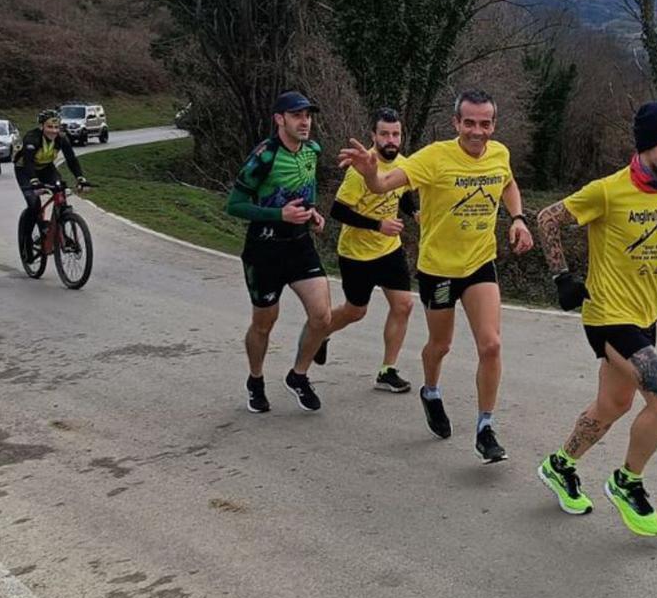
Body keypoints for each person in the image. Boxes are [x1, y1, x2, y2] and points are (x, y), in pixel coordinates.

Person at [533, 101, 657, 536]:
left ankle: (559, 466)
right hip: (607, 315)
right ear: (647, 145)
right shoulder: (608, 190)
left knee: (613, 405)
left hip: (644, 315)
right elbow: (547, 219)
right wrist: (563, 276)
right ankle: (627, 481)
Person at [340, 89, 533, 462]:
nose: (478, 131)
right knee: (440, 345)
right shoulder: (433, 158)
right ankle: (430, 391)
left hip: (480, 263)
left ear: (493, 124)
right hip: (439, 269)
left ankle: (485, 427)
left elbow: (507, 182)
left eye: (485, 123)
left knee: (491, 345)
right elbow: (383, 185)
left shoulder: (499, 153)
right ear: (456, 123)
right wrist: (369, 172)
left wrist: (519, 219)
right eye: (470, 123)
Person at [226, 91, 330, 414]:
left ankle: (298, 375)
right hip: (264, 250)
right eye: (297, 115)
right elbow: (235, 205)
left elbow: (305, 192)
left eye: (308, 116)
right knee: (264, 323)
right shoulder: (265, 156)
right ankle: (255, 381)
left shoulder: (312, 151)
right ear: (279, 119)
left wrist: (312, 214)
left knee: (322, 316)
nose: (305, 122)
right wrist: (278, 215)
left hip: (299, 245)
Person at [314, 107, 417, 394]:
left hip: (389, 250)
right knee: (355, 311)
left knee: (404, 304)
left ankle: (387, 371)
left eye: (395, 134)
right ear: (373, 136)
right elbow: (337, 211)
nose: (391, 140)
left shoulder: (404, 164)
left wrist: (416, 213)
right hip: (356, 253)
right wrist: (377, 225)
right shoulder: (361, 170)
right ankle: (320, 332)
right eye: (384, 134)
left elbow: (403, 193)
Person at [14, 109, 88, 242]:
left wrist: (80, 178)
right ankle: (26, 238)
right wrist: (34, 181)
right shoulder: (32, 138)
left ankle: (61, 230)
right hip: (25, 170)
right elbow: (28, 162)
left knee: (61, 192)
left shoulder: (61, 139)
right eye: (49, 127)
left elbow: (71, 159)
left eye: (56, 127)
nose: (54, 131)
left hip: (46, 167)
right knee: (34, 204)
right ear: (41, 126)